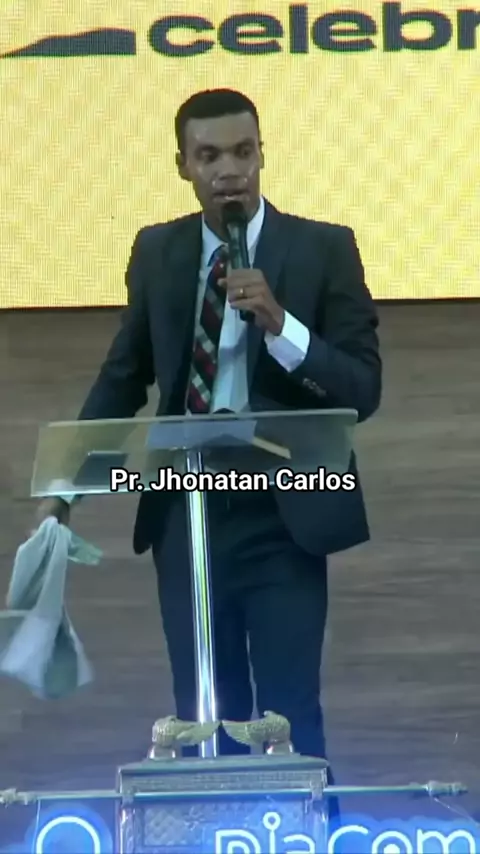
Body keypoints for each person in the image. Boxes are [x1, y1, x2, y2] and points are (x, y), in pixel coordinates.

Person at [36, 88, 381, 811]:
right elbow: (124, 376)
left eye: (243, 152)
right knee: (203, 708)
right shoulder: (158, 251)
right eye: (210, 156)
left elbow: (362, 388)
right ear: (183, 166)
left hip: (285, 510)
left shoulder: (323, 248)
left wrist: (281, 324)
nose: (229, 171)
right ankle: (216, 833)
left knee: (288, 710)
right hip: (186, 511)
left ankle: (310, 837)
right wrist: (65, 489)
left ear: (262, 156)